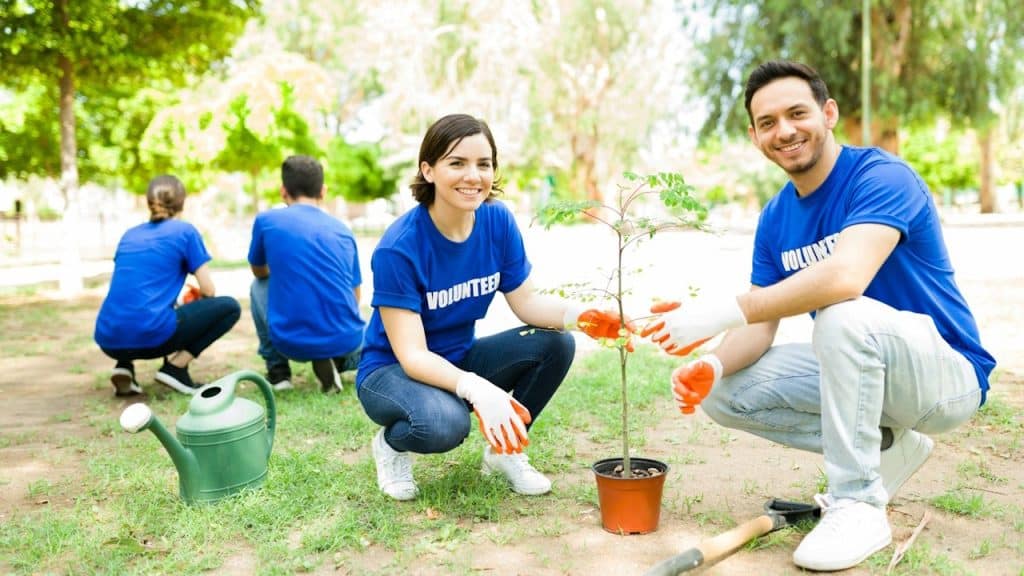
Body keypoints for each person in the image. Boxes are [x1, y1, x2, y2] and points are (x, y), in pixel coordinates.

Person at [642, 60, 996, 571]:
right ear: (755, 136)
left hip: (946, 378)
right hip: (864, 366)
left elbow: (845, 277)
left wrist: (717, 313)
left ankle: (858, 504)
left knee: (840, 315)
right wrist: (713, 365)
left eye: (796, 113)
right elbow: (760, 327)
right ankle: (889, 448)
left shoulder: (881, 175)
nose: (784, 131)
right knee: (724, 390)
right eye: (768, 123)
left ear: (828, 113)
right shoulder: (776, 217)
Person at [357, 113, 629, 501]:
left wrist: (584, 317)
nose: (473, 176)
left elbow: (528, 303)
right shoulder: (399, 247)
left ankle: (505, 452)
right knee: (446, 425)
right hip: (392, 371)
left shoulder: (497, 222)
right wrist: (475, 388)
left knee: (555, 344)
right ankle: (392, 446)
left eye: (483, 164)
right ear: (428, 170)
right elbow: (413, 354)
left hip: (457, 357)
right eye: (457, 163)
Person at [95, 175, 241, 396]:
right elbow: (209, 290)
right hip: (153, 337)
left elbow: (132, 284)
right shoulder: (185, 232)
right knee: (229, 307)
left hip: (108, 337)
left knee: (134, 306)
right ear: (182, 202)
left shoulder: (130, 234)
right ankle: (175, 368)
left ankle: (124, 366)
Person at [248, 155, 365, 393]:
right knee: (366, 334)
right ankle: (338, 359)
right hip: (348, 339)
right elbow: (356, 296)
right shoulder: (343, 230)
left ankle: (278, 371)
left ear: (283, 191)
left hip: (290, 343)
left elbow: (259, 270)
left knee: (258, 285)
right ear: (323, 191)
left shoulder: (267, 221)